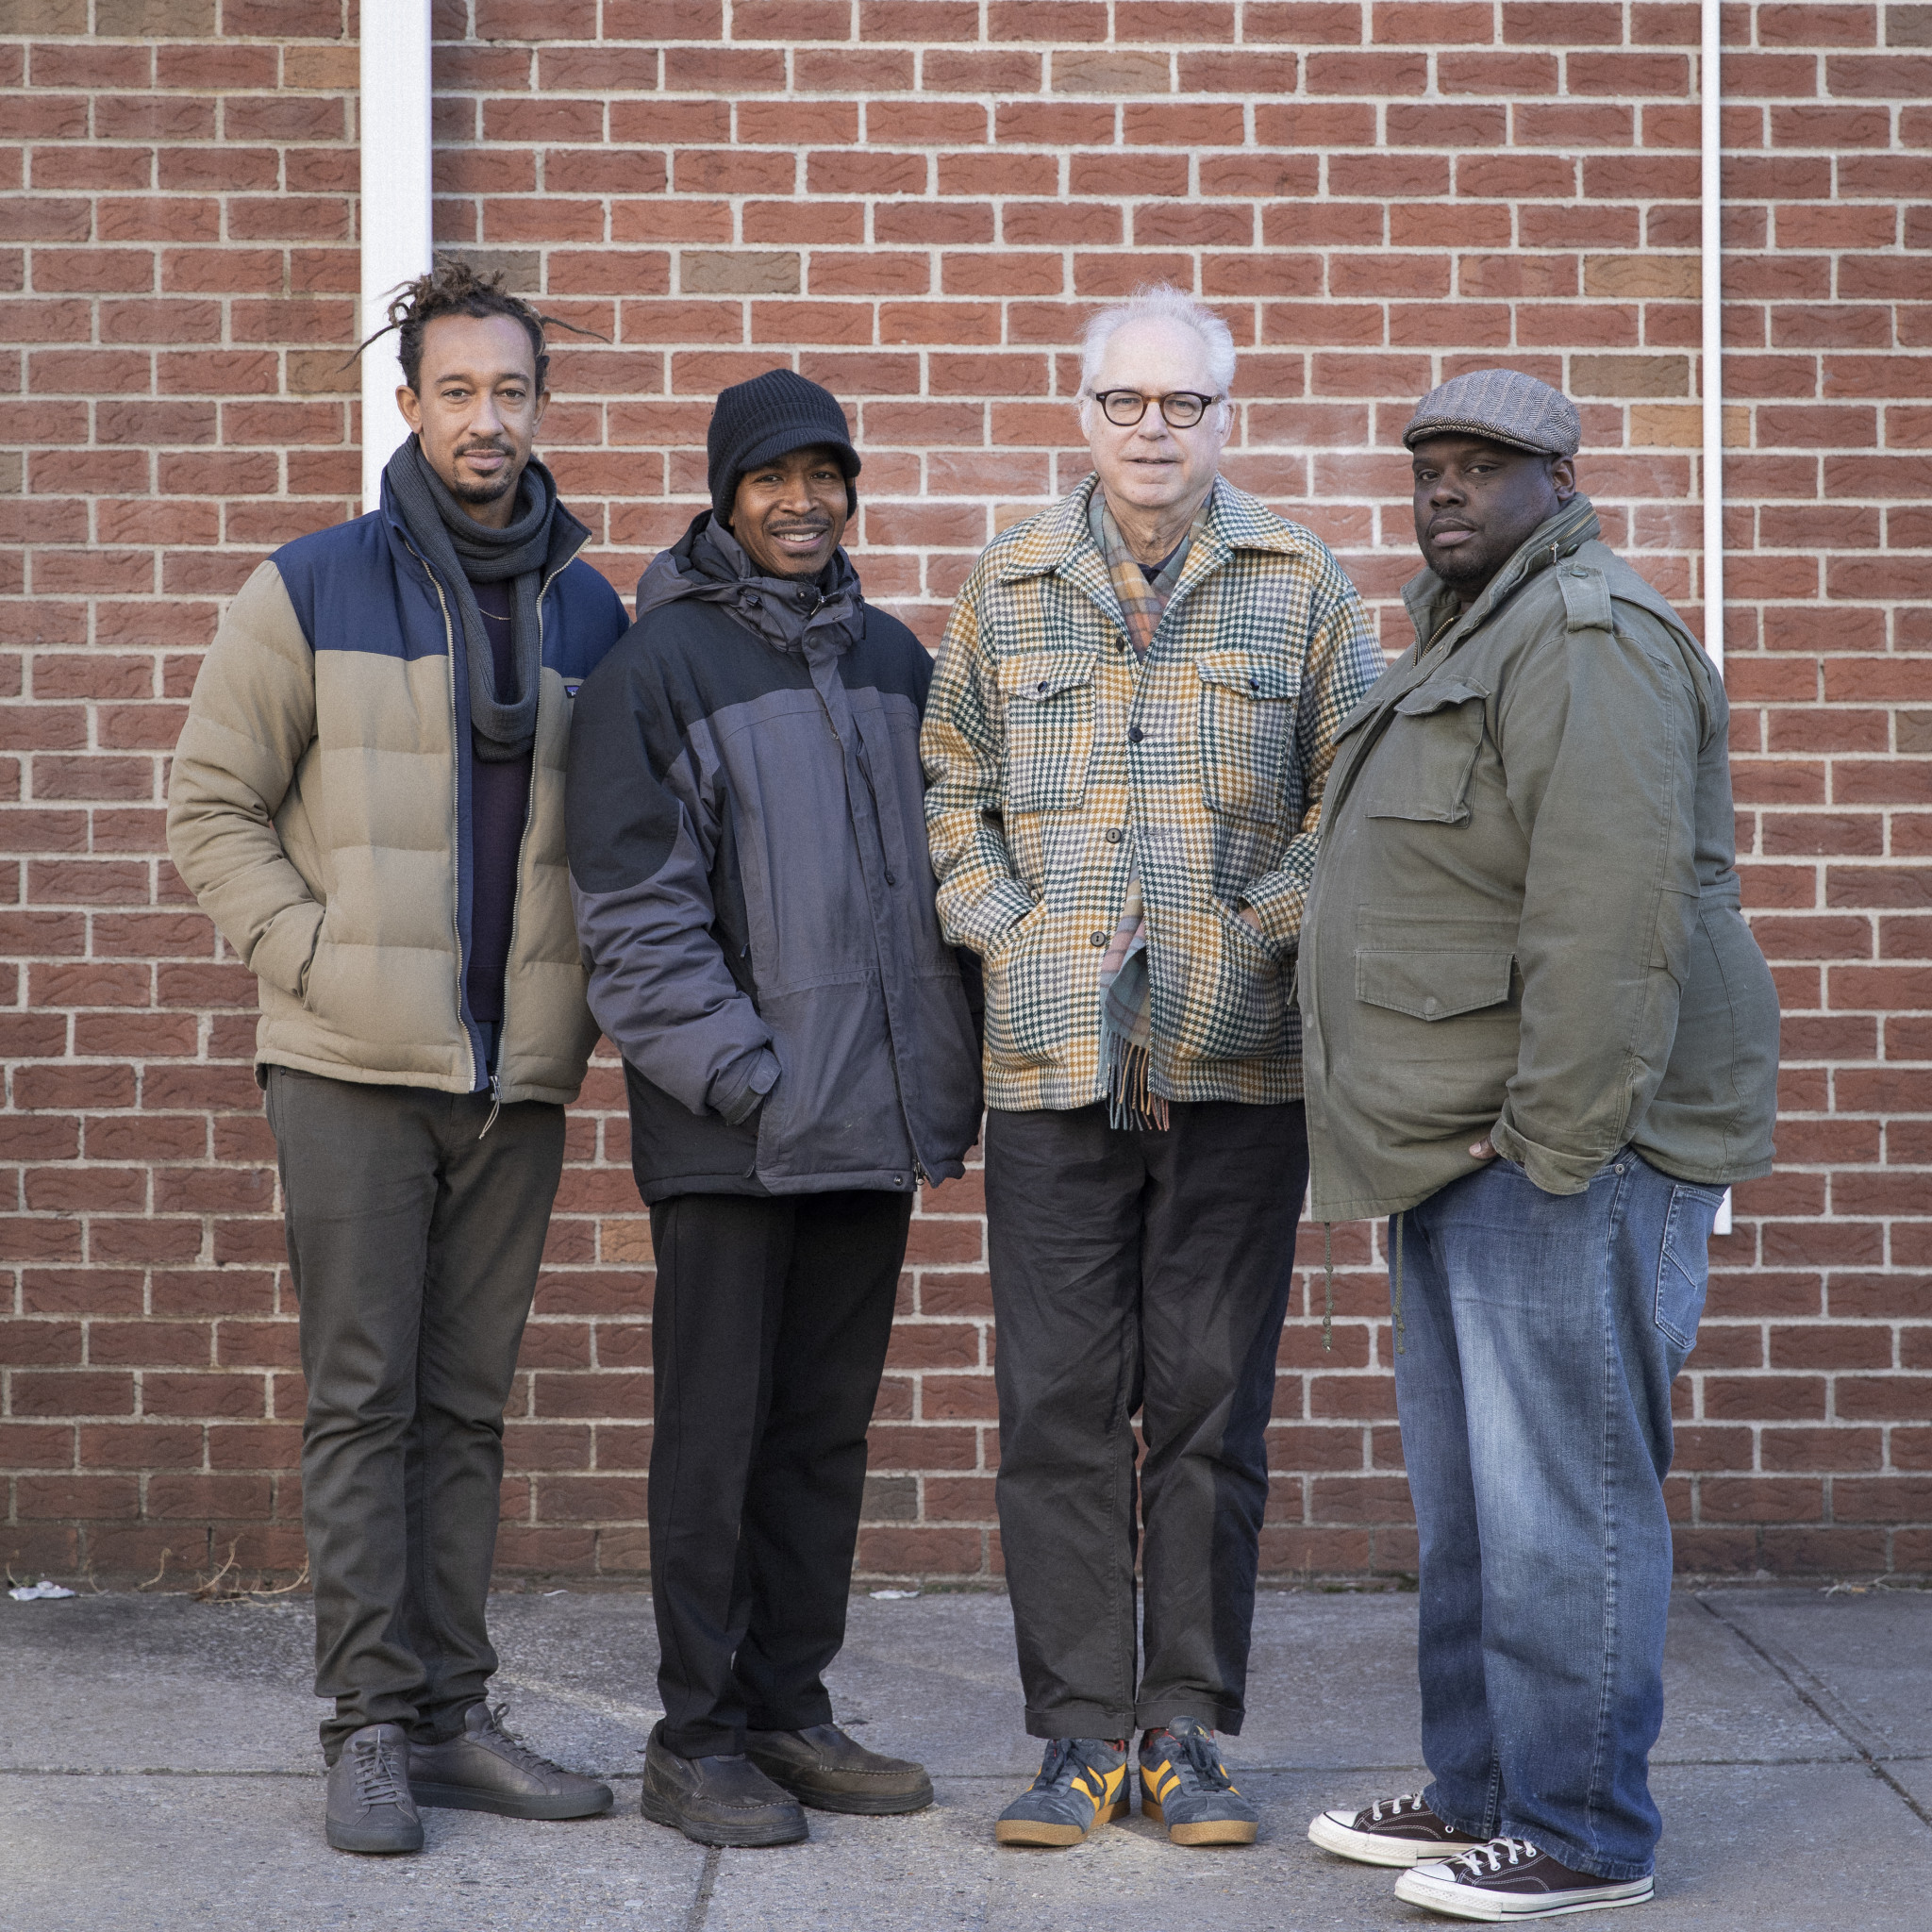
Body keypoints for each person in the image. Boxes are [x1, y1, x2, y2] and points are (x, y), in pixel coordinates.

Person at [1299, 369, 1779, 1919]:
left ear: (1559, 481)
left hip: (1559, 1151)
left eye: (1483, 467)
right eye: (1428, 462)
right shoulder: (1475, 626)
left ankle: (1583, 1833)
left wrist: (1552, 1145)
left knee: (1565, 1496)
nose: (1444, 489)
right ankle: (1481, 1798)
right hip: (1463, 1146)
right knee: (1478, 1501)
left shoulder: (1591, 638)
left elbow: (1611, 913)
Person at [167, 263, 626, 1856]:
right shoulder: (305, 588)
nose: (485, 419)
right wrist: (311, 963)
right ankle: (365, 1721)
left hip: (516, 1080)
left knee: (468, 1409)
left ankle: (450, 1716)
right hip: (352, 1071)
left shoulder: (587, 605)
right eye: (456, 392)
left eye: (511, 392)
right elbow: (207, 807)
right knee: (364, 1401)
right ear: (408, 403)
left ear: (536, 406)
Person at [921, 286, 1383, 1850]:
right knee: (1055, 1405)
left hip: (1238, 1069)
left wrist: (1253, 936)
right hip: (1051, 1067)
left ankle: (1183, 1733)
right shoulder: (1006, 583)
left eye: (1183, 405)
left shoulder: (1302, 585)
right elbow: (950, 790)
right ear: (1082, 412)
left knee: (1207, 1405)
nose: (1153, 431)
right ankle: (1070, 1740)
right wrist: (1020, 935)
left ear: (1227, 419)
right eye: (1125, 402)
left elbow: (1355, 807)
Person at [565, 368, 982, 1849]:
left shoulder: (891, 657)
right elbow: (633, 913)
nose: (804, 502)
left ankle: (791, 1711)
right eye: (772, 479)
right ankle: (696, 1738)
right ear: (725, 497)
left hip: (869, 1126)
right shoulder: (657, 664)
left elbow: (945, 877)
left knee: (820, 1437)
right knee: (717, 1438)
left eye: (827, 475)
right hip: (734, 1129)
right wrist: (749, 1077)